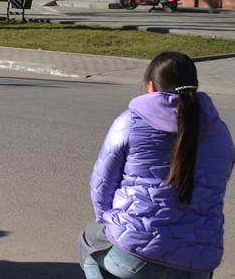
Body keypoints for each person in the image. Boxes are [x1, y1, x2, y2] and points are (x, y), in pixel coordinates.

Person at [80, 51, 234, 279]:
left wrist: (110, 221)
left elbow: (102, 183)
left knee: (88, 240)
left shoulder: (130, 121)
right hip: (198, 264)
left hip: (134, 254)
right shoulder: (220, 131)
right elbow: (217, 187)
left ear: (151, 87)